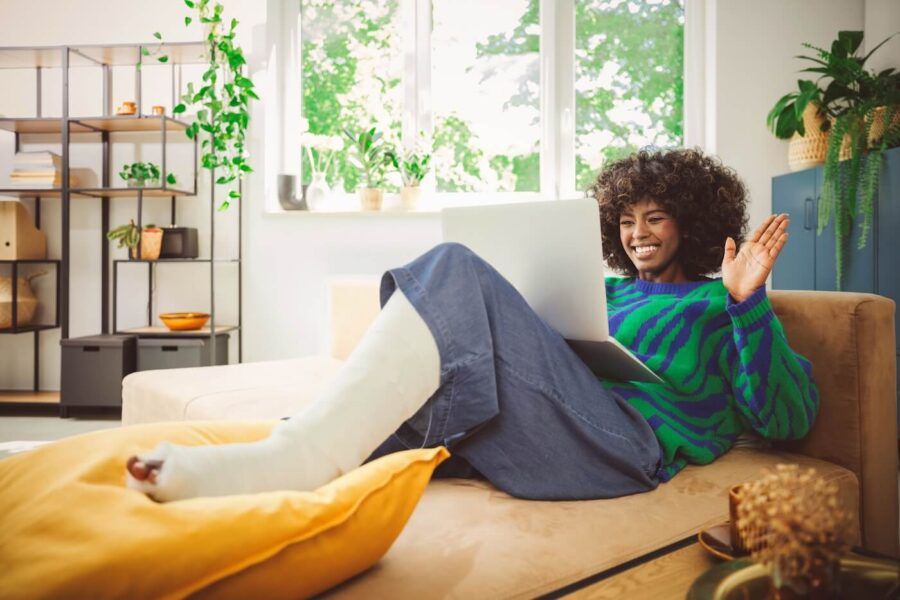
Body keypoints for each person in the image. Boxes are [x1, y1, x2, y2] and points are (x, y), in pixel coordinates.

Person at [126, 148, 819, 502]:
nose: (638, 233)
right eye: (627, 219)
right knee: (409, 398)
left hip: (622, 448)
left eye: (656, 218)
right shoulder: (605, 290)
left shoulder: (718, 304)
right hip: (553, 423)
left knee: (453, 263)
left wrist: (747, 302)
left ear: (691, 223)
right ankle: (266, 467)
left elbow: (787, 417)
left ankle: (294, 455)